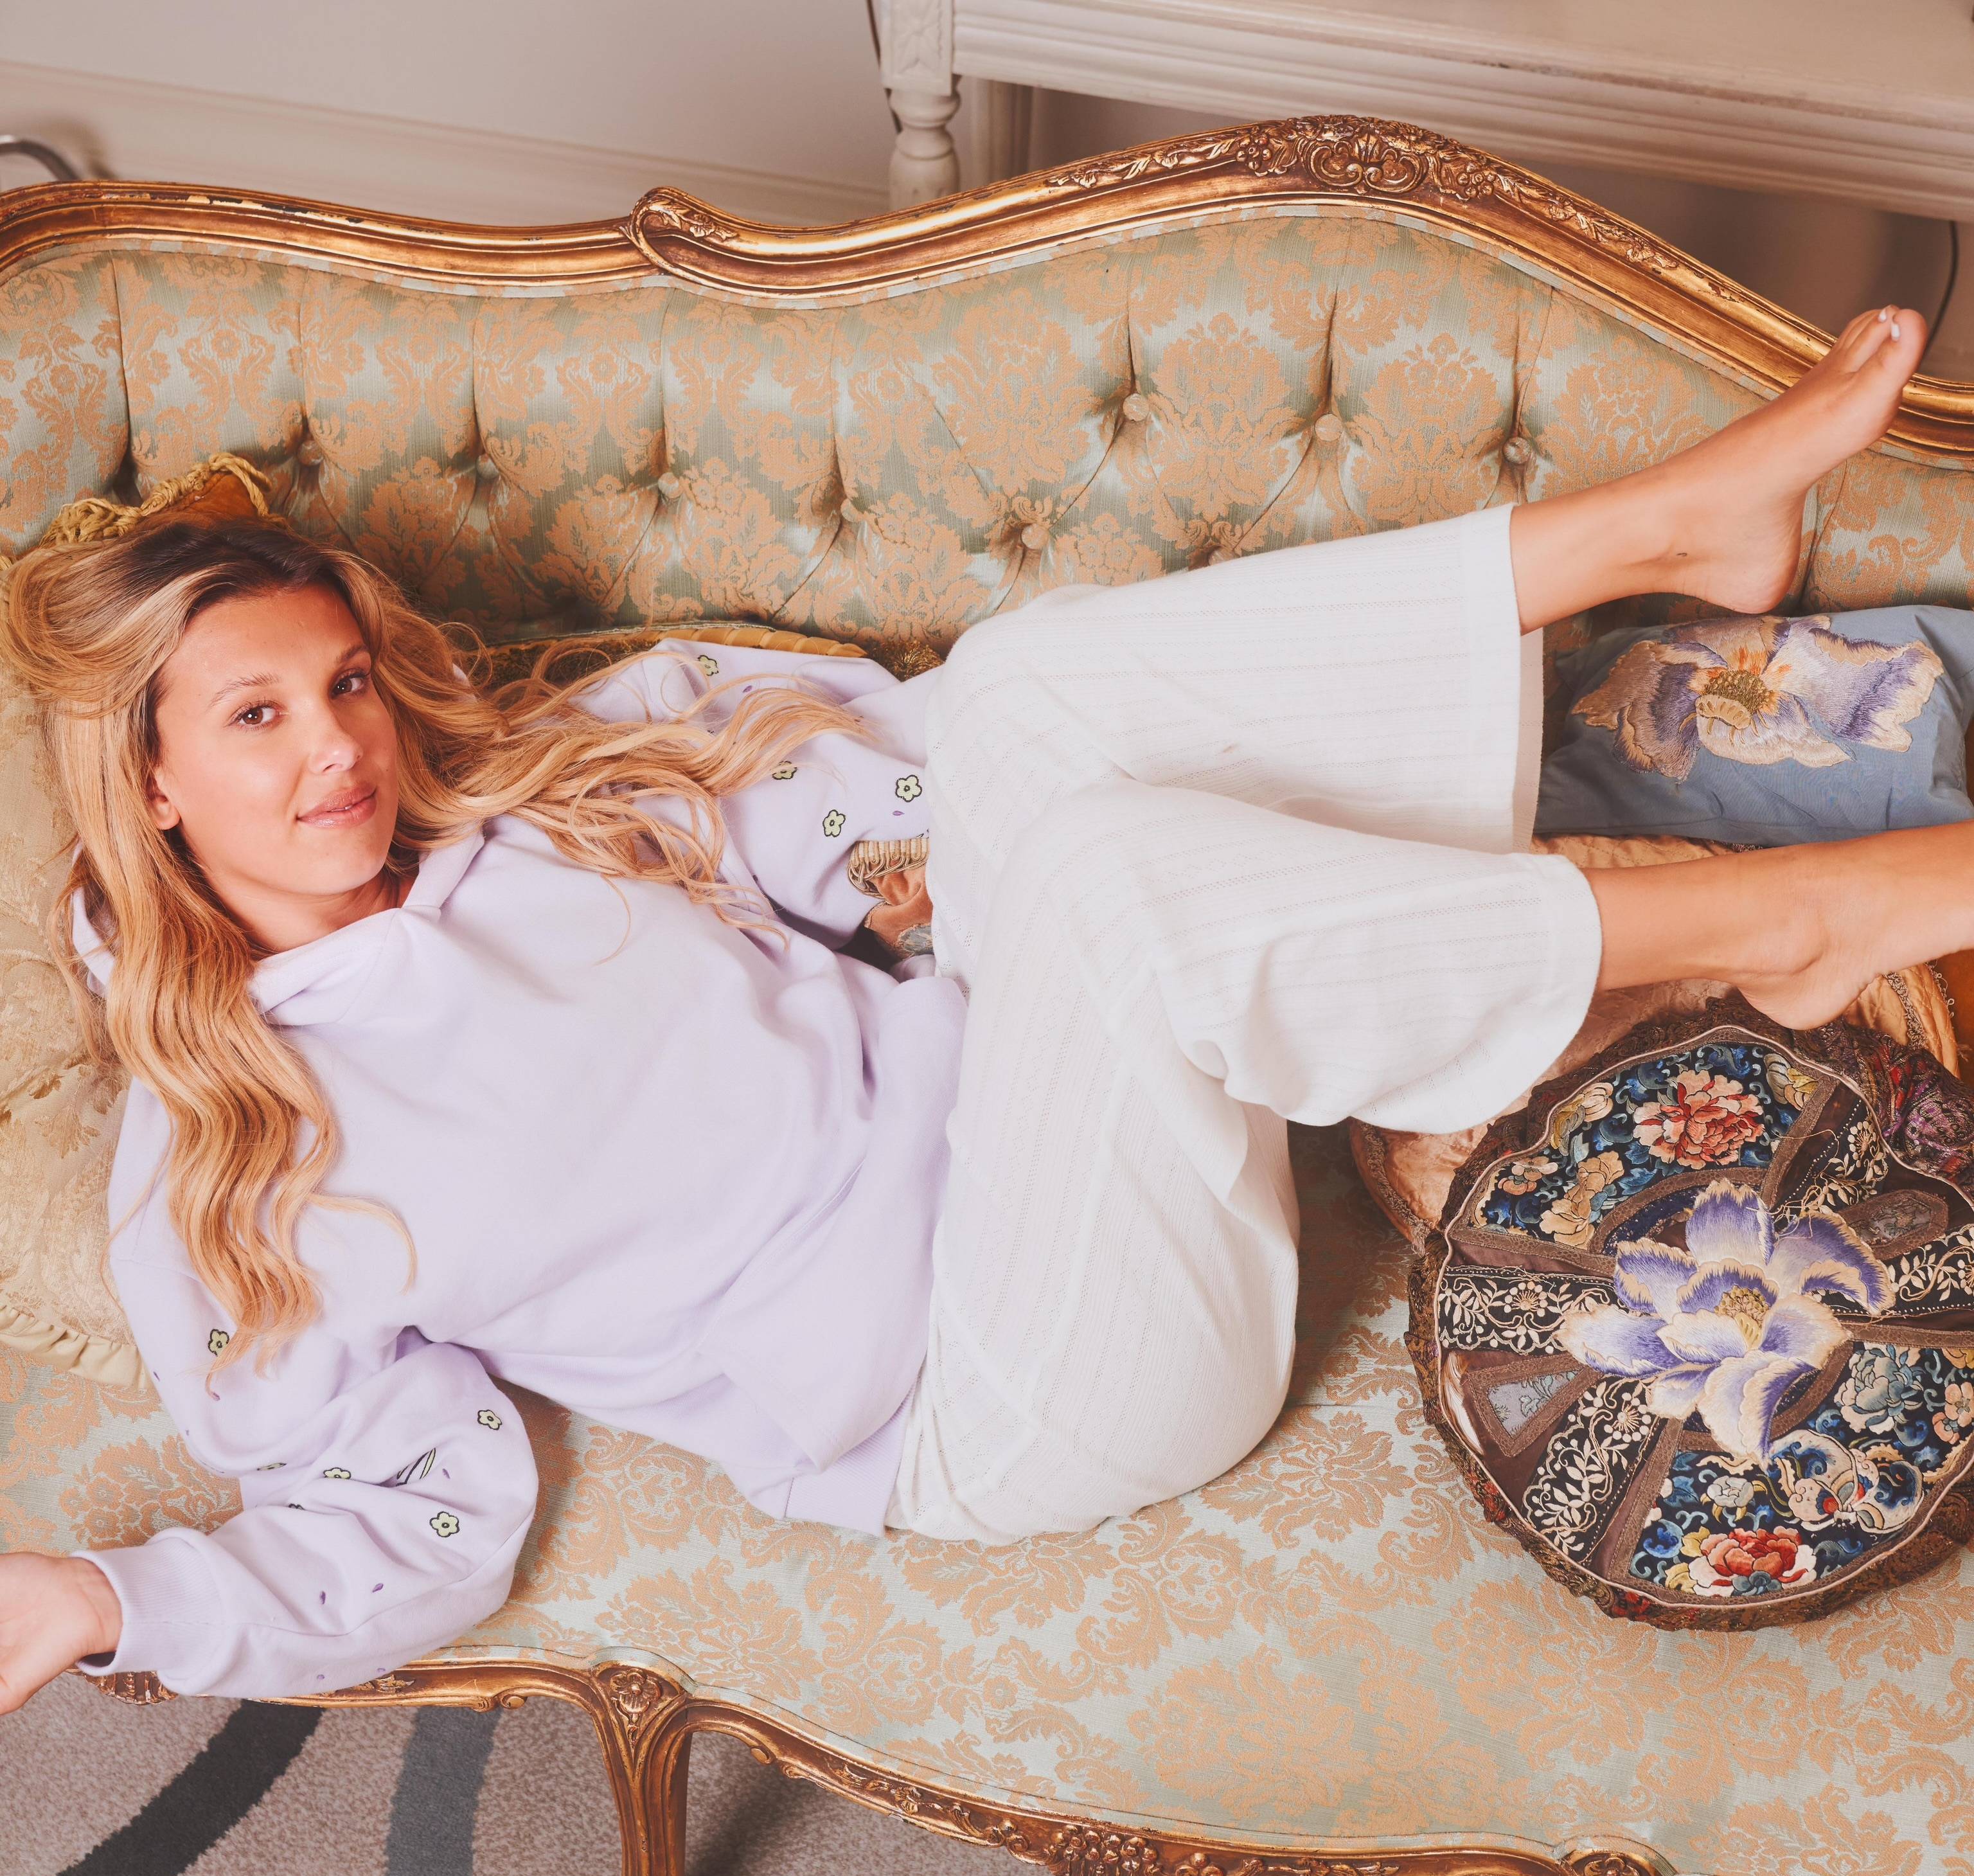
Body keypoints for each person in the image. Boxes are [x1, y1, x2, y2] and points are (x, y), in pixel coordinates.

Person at [0, 301, 1956, 1713]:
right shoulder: (232, 1157)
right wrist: (109, 1599)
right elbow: (404, 1514)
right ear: (148, 785)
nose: (337, 747)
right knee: (1105, 886)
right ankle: (1791, 918)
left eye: (343, 682)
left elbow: (904, 804)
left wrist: (973, 844)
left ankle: (1657, 537)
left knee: (1014, 691)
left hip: (1060, 1115)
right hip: (1000, 1394)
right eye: (256, 718)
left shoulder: (536, 802)